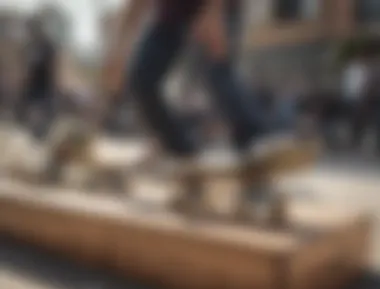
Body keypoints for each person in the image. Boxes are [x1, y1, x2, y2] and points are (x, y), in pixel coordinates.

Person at [103, 0, 300, 177]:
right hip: (172, 14)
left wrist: (213, 13)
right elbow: (135, 5)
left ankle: (257, 138)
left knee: (216, 70)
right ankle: (180, 150)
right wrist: (117, 50)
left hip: (219, 6)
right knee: (141, 78)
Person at [16, 17, 58, 141]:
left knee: (39, 121)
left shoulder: (47, 46)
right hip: (30, 91)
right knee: (28, 122)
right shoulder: (28, 46)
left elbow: (53, 69)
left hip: (43, 90)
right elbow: (23, 68)